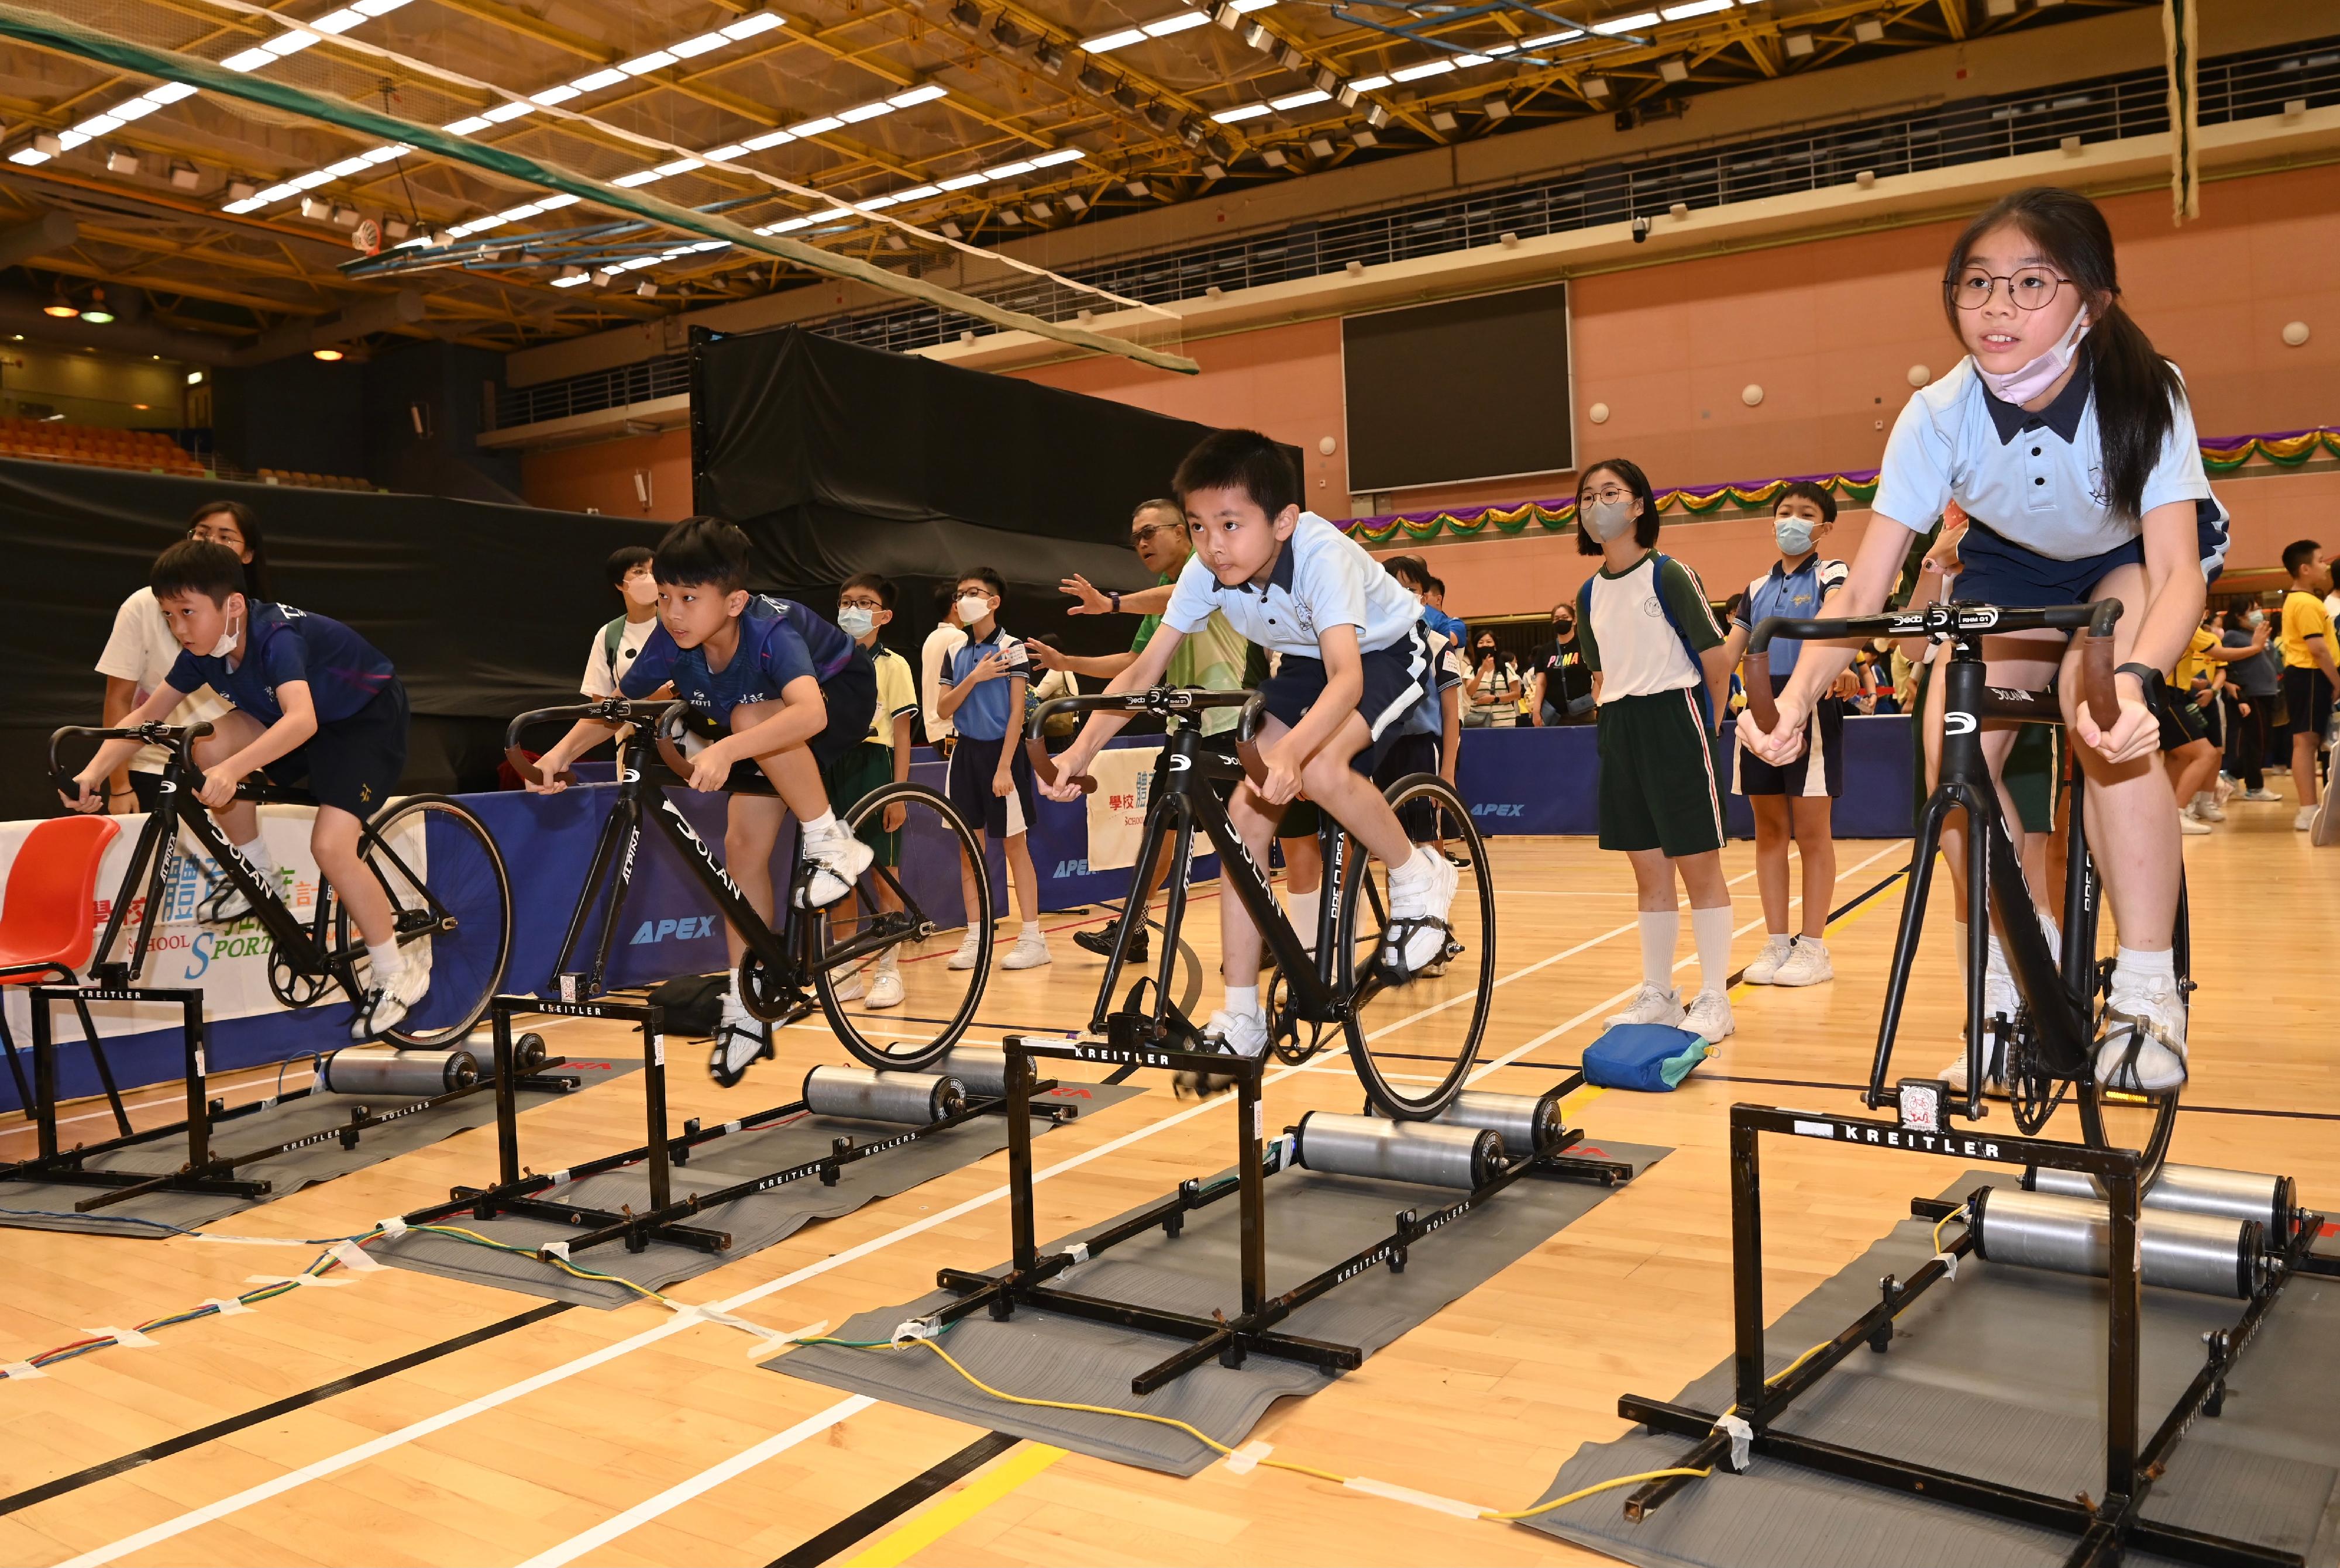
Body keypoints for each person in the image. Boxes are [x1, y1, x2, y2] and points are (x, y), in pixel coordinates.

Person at [1742, 187, 2232, 1094]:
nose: (1997, 306)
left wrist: (2134, 681)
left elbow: (2177, 573)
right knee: (1951, 762)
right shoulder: (1936, 414)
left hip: (2124, 560)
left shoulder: (2144, 390)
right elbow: (1875, 574)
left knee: (2103, 723)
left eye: (2030, 283)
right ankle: (2023, 972)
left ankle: (2149, 990)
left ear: (2090, 300)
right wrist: (1800, 697)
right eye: (1978, 284)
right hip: (2010, 569)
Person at [1039, 429, 1459, 1060]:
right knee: (1242, 820)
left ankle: (1416, 872)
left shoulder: (1321, 555)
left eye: (1230, 524)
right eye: (1199, 526)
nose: (1212, 544)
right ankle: (1241, 1017)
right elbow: (1142, 671)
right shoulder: (1205, 573)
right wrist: (1081, 751)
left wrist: (1292, 753)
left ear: (1283, 520)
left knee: (1315, 770)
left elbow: (1346, 678)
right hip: (1300, 663)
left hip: (1382, 653)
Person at [527, 517, 879, 1083]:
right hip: (762, 723)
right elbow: (617, 705)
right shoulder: (671, 642)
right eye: (665, 596)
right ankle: (748, 1003)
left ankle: (832, 841)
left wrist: (729, 749)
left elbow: (810, 714)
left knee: (747, 717)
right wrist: (559, 753)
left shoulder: (771, 632)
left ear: (736, 600)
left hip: (835, 699)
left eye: (690, 598)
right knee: (741, 852)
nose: (674, 612)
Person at [66, 540, 425, 1039]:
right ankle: (259, 872)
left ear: (232, 604)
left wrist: (235, 770)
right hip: (292, 715)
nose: (179, 628)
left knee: (330, 844)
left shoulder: (276, 637)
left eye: (188, 612)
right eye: (170, 615)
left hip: (362, 718)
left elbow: (301, 721)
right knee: (202, 746)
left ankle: (396, 970)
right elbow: (147, 717)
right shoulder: (201, 651)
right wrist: (93, 772)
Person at [1047, 499, 1324, 962]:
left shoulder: (1216, 565)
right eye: (1134, 536)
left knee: (1272, 838)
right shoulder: (1163, 592)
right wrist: (1072, 677)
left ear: (1183, 532)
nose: (1141, 543)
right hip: (1187, 729)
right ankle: (1134, 926)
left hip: (1243, 722)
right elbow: (1139, 667)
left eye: (1149, 532)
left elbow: (1185, 595)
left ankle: (1295, 937)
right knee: (1163, 832)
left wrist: (1113, 603)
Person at [1572, 458, 1737, 1042]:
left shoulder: (1668, 574)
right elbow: (1598, 673)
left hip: (1676, 716)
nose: (1597, 504)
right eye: (1588, 495)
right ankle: (1659, 993)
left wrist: (1707, 730)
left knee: (1698, 864)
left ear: (1639, 504)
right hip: (1620, 725)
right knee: (1647, 871)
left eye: (1610, 492)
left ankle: (1715, 996)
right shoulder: (1588, 591)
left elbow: (1716, 663)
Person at [1719, 480, 1848, 987]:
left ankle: (1813, 946)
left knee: (1813, 832)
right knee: (1769, 831)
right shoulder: (1754, 589)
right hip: (1758, 709)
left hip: (1811, 703)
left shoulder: (1832, 572)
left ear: (1825, 527)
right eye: (1783, 512)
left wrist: (1844, 665)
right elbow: (1730, 653)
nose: (1791, 520)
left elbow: (1842, 622)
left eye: (1804, 513)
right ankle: (1777, 942)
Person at [93, 500, 266, 813]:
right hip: (156, 767)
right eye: (202, 533)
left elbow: (292, 717)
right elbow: (121, 699)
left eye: (226, 537)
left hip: (233, 769)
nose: (211, 543)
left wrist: (252, 767)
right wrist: (117, 785)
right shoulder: (143, 605)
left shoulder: (262, 620)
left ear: (248, 554)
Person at [936, 567, 1051, 971]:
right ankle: (976, 935)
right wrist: (976, 675)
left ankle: (1034, 938)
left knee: (1014, 845)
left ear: (994, 601)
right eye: (960, 592)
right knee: (970, 850)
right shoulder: (954, 650)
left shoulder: (1013, 646)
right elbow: (943, 708)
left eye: (974, 591)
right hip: (965, 755)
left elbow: (1018, 712)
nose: (964, 598)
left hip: (1004, 755)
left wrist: (1004, 767)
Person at [825, 572, 921, 1009]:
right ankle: (845, 969)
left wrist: (898, 792)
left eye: (864, 602)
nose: (852, 610)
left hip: (874, 767)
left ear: (884, 615)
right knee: (836, 874)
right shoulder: (822, 661)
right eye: (846, 601)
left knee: (884, 871)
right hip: (832, 765)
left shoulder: (894, 664)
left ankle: (888, 968)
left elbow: (902, 734)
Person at [2277, 540, 2338, 832]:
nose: (2325, 565)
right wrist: (2337, 682)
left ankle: (2311, 808)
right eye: (2320, 560)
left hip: (2311, 676)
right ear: (2305, 568)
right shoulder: (2305, 602)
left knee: (2309, 741)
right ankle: (2307, 811)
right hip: (2310, 675)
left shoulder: (2308, 600)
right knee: (2306, 742)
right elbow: (2318, 649)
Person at [2219, 602, 2279, 801]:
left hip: (2268, 692)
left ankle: (2232, 774)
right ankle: (2255, 787)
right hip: (2251, 693)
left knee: (2265, 741)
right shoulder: (2232, 636)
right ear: (2239, 615)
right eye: (2252, 609)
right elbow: (2226, 664)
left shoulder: (2258, 634)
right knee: (2256, 742)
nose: (2258, 613)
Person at [920, 584, 967, 749]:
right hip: (953, 728)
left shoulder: (931, 638)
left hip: (935, 729)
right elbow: (964, 685)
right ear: (955, 607)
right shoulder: (959, 637)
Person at [1532, 600, 1594, 724]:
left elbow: (1598, 677)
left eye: (1565, 617)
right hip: (1554, 714)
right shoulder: (1544, 650)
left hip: (1583, 712)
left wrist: (1595, 701)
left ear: (1574, 621)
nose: (1561, 621)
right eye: (1557, 618)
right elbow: (1541, 683)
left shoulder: (1586, 646)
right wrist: (1536, 710)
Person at [1466, 631, 1523, 728]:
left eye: (1489, 642)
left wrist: (1495, 699)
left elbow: (1517, 694)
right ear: (1476, 647)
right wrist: (1482, 671)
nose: (1485, 645)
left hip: (1505, 722)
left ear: (1495, 646)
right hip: (1478, 722)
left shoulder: (1506, 668)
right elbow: (1470, 692)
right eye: (1481, 642)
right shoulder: (1471, 669)